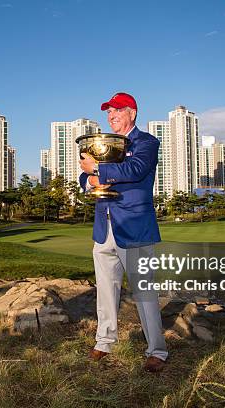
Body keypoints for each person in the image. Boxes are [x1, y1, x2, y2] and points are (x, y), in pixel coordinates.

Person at [79, 92, 168, 373]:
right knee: (105, 290)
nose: (111, 116)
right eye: (108, 112)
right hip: (103, 228)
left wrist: (98, 170)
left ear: (132, 112)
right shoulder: (104, 144)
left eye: (116, 111)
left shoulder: (147, 142)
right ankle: (104, 341)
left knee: (144, 293)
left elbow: (136, 169)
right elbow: (85, 173)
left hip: (135, 228)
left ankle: (157, 350)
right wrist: (89, 179)